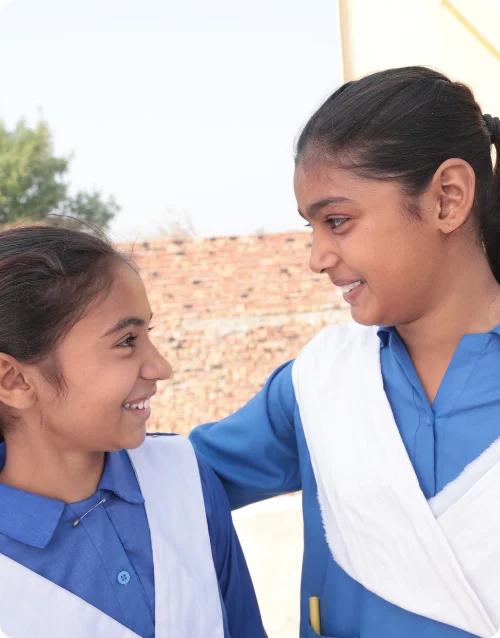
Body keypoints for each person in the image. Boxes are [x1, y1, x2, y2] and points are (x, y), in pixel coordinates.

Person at [190, 66, 500, 638]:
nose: (317, 257)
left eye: (337, 221)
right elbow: (169, 486)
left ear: (447, 199)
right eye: (312, 227)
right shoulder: (321, 385)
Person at [0, 225, 265, 638]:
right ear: (14, 381)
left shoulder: (185, 477)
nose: (161, 367)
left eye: (148, 335)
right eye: (126, 341)